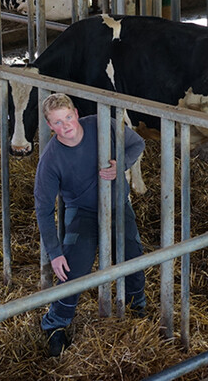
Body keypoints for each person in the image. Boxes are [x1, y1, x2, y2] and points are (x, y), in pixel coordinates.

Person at [33, 93, 147, 357]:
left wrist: (122, 166)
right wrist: (55, 252)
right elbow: (43, 207)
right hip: (82, 212)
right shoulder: (50, 159)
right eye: (58, 123)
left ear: (76, 112)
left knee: (133, 258)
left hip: (118, 205)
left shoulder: (102, 124)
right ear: (50, 126)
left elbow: (137, 144)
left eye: (68, 117)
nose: (66, 126)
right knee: (72, 270)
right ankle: (55, 325)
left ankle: (136, 310)